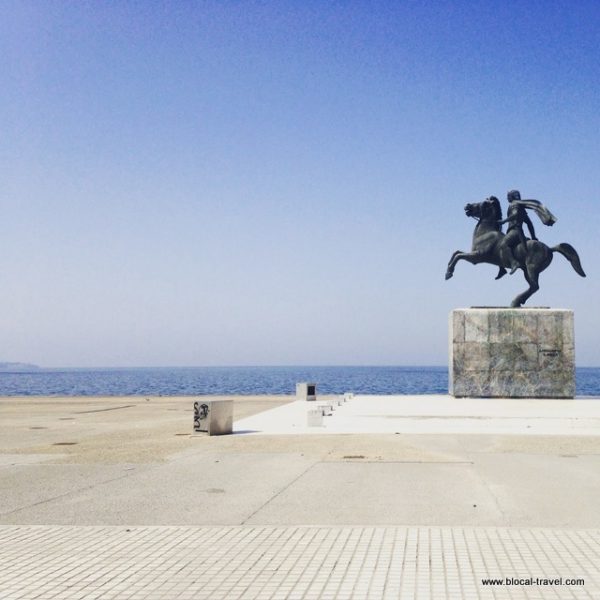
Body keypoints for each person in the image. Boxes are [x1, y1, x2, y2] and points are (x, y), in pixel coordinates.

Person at [498, 190, 539, 274]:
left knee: (503, 245)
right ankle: (502, 269)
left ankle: (514, 262)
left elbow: (515, 214)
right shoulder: (521, 207)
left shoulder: (514, 204)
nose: (507, 198)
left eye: (508, 196)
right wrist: (533, 236)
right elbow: (529, 223)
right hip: (519, 232)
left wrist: (504, 221)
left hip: (514, 231)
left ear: (512, 196)